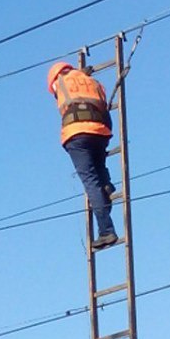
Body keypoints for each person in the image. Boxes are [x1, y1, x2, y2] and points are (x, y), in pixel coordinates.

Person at [47, 61, 119, 250]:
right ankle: (107, 185)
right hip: (100, 131)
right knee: (99, 171)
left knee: (91, 183)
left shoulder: (59, 82)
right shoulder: (94, 82)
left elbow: (61, 88)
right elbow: (103, 106)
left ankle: (106, 232)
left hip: (76, 134)